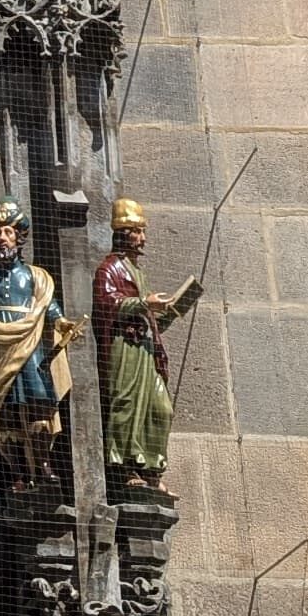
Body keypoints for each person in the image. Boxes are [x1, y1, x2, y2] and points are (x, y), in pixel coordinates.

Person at [0, 196, 77, 485]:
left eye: (8, 233)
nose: (2, 239)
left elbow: (49, 306)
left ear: (19, 238)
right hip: (1, 344)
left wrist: (61, 322)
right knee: (7, 412)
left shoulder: (34, 276)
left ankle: (44, 463)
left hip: (31, 346)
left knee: (39, 404)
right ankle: (19, 473)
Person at [92, 196, 201, 490]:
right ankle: (125, 470)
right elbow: (106, 303)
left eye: (143, 231)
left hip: (145, 348)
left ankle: (152, 469)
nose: (143, 238)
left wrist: (169, 310)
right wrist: (143, 303)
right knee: (126, 404)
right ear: (124, 233)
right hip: (124, 348)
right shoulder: (109, 268)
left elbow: (145, 313)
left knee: (160, 408)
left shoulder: (138, 271)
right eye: (138, 231)